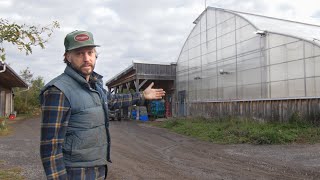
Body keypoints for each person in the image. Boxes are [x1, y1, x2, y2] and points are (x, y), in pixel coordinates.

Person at [39, 30, 165, 180]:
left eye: (90, 52)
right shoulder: (58, 91)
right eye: (79, 53)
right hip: (75, 172)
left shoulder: (95, 86)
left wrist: (142, 95)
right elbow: (50, 147)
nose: (86, 58)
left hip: (98, 169)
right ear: (68, 57)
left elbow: (112, 101)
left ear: (95, 55)